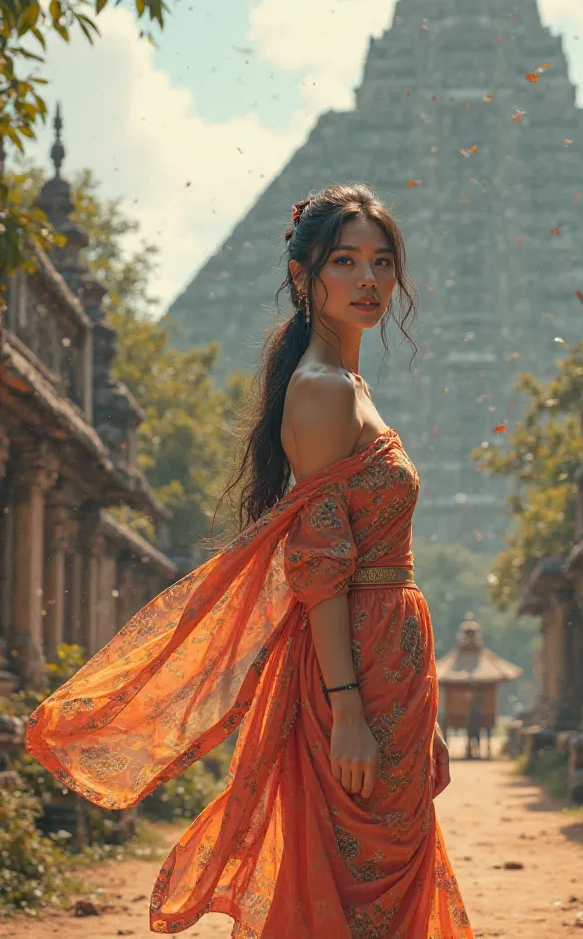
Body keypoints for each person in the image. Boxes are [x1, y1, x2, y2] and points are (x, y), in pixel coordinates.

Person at [25, 184, 474, 938]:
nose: (368, 279)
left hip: (391, 666)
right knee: (354, 884)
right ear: (305, 277)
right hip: (356, 668)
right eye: (345, 261)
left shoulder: (349, 386)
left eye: (383, 262)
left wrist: (415, 710)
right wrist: (350, 711)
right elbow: (321, 567)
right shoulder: (323, 392)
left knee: (384, 874)